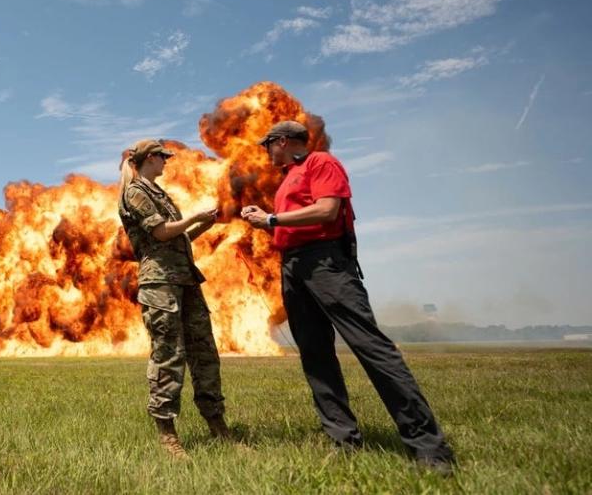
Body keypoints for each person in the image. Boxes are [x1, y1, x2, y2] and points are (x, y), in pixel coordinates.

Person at [240, 121, 455, 475]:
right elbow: (291, 220)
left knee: (371, 348)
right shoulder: (289, 176)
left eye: (268, 146)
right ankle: (344, 441)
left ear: (281, 141)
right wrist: (266, 220)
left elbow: (327, 210)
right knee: (315, 355)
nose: (267, 153)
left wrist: (272, 218)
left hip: (326, 264)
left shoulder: (320, 163)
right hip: (294, 267)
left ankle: (430, 448)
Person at [118, 139, 229, 459]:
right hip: (160, 285)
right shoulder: (136, 192)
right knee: (169, 355)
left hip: (185, 280)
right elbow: (161, 233)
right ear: (150, 158)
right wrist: (193, 217)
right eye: (163, 158)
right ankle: (168, 435)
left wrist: (202, 226)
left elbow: (176, 237)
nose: (166, 162)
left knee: (204, 353)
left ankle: (218, 426)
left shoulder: (159, 194)